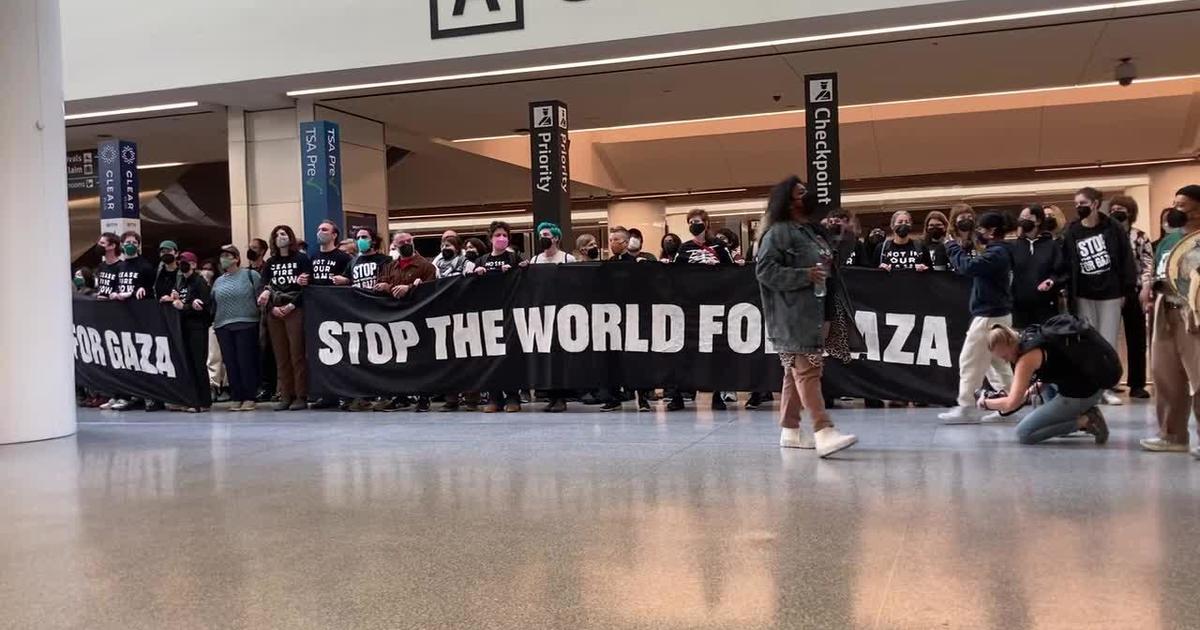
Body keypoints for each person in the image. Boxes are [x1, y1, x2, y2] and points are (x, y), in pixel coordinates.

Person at [756, 176, 859, 457]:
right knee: (809, 370)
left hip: (818, 310)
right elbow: (764, 271)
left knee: (795, 372)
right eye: (801, 193)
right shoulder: (778, 233)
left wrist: (846, 234)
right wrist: (803, 275)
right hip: (795, 314)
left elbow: (835, 262)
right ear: (788, 201)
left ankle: (790, 430)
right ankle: (823, 430)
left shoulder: (812, 231)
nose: (808, 195)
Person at [938, 212, 1016, 424]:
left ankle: (966, 407)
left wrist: (952, 247)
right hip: (997, 315)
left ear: (991, 232)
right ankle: (1010, 405)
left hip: (989, 317)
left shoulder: (996, 254)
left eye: (981, 229)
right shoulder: (1000, 252)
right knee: (997, 364)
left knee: (969, 361)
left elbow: (967, 267)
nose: (977, 233)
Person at [1139, 185, 1200, 456]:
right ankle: (1172, 435)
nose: (1176, 210)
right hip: (1166, 312)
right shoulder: (1168, 239)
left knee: (1198, 377)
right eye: (1174, 204)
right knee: (1166, 375)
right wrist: (1147, 286)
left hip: (1194, 314)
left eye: (1183, 205)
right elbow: (1155, 268)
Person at [1062, 187, 1136, 406]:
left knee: (1108, 342)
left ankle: (1107, 387)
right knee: (1088, 342)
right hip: (1084, 294)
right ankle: (1091, 388)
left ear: (1095, 203)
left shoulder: (1113, 227)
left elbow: (1126, 259)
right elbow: (1066, 261)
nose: (1078, 207)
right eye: (1076, 203)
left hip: (1111, 293)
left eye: (1083, 203)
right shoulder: (1072, 230)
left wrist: (1126, 289)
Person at [982, 325, 1108, 445]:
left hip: (1083, 393)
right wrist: (1031, 391)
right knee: (1049, 423)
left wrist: (985, 403)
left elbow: (1012, 403)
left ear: (1010, 342)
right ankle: (1071, 414)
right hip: (1094, 380)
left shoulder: (1026, 359)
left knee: (1024, 434)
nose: (1005, 360)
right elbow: (1054, 364)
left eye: (1005, 356)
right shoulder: (1030, 335)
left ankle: (1086, 420)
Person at [669, 209, 734, 412]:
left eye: (697, 221)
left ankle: (716, 395)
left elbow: (730, 270)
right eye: (691, 222)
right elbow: (674, 274)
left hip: (714, 306)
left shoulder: (719, 246)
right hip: (690, 306)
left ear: (706, 223)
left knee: (714, 351)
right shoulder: (684, 248)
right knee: (685, 350)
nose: (694, 224)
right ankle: (678, 395)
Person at [376, 232, 439, 412]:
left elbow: (431, 289)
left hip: (419, 318)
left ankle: (424, 397)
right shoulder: (390, 266)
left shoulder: (426, 266)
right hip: (396, 319)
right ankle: (401, 396)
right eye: (401, 242)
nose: (406, 244)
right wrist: (387, 287)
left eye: (409, 241)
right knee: (399, 359)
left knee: (422, 359)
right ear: (394, 246)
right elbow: (382, 283)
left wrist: (410, 288)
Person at [256, 225, 313, 411]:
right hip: (274, 310)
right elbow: (264, 285)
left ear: (290, 237)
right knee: (281, 355)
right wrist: (271, 306)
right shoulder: (270, 263)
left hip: (294, 308)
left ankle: (301, 394)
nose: (280, 237)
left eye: (284, 234)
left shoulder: (301, 259)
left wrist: (290, 306)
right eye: (277, 235)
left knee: (297, 353)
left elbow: (307, 288)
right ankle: (286, 394)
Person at [300, 220, 352, 410]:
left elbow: (351, 280)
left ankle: (343, 393)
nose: (320, 232)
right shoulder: (312, 257)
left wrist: (344, 281)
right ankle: (326, 393)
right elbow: (308, 280)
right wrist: (303, 280)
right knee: (321, 354)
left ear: (334, 234)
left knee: (340, 351)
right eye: (318, 229)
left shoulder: (343, 257)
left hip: (336, 309)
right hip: (317, 311)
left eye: (324, 229)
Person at [476, 221, 527, 412]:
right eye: (498, 235)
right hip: (489, 315)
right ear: (490, 238)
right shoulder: (482, 261)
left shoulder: (514, 257)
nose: (502, 238)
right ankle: (494, 397)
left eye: (505, 235)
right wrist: (475, 274)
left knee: (510, 356)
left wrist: (516, 270)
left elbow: (524, 275)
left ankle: (513, 397)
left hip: (510, 314)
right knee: (490, 356)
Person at [1109, 195, 1153, 399]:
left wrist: (1146, 288)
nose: (1116, 212)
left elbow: (1147, 265)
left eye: (1121, 209)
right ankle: (1110, 382)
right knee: (1108, 338)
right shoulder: (1105, 235)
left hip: (1133, 291)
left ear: (1130, 212)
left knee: (1136, 339)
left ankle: (1137, 384)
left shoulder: (1140, 236)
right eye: (1113, 208)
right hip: (1109, 293)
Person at [211, 245, 262, 411]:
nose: (223, 259)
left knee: (245, 360)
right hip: (223, 325)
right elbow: (213, 302)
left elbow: (259, 297)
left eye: (227, 255)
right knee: (230, 362)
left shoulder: (250, 275)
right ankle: (236, 395)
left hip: (246, 322)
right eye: (222, 256)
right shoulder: (218, 281)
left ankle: (249, 396)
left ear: (236, 258)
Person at [1010, 203, 1066, 329]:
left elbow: (1060, 271)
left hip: (1045, 305)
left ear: (1038, 221)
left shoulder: (1051, 245)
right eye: (1021, 218)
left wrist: (1051, 281)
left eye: (1027, 218)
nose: (1023, 221)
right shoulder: (1014, 246)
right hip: (1019, 307)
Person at [170, 252, 213, 412]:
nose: (182, 264)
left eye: (185, 261)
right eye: (180, 261)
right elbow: (180, 298)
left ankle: (203, 401)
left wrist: (185, 307)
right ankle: (191, 398)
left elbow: (204, 306)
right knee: (187, 363)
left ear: (194, 264)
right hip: (183, 326)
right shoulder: (181, 281)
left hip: (197, 327)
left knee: (198, 363)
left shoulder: (199, 282)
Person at [93, 232, 121, 300]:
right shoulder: (101, 266)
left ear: (112, 246)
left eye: (102, 243)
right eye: (99, 243)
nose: (99, 245)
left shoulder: (122, 267)